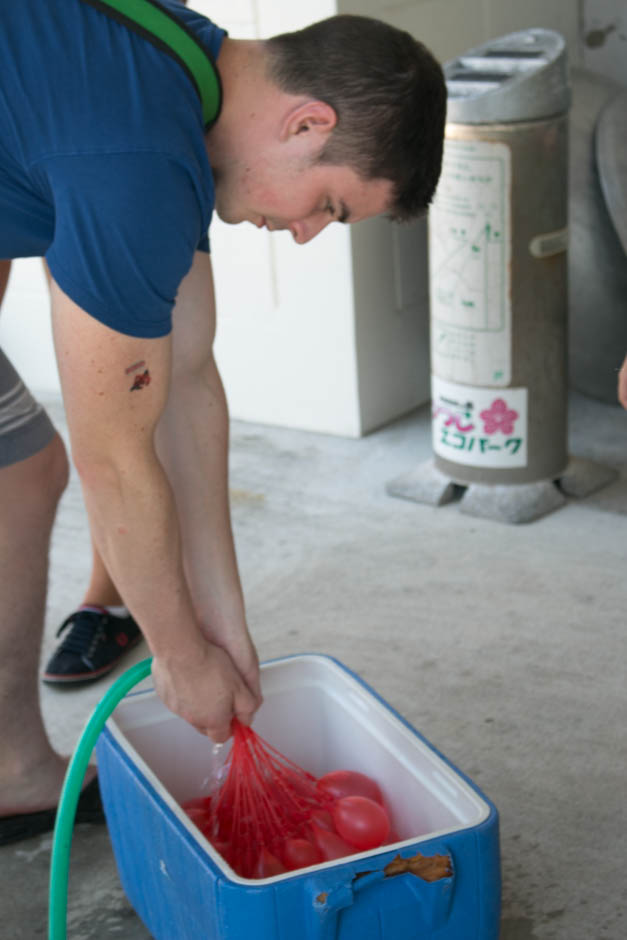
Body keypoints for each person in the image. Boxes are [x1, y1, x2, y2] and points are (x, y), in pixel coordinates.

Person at [0, 0, 446, 844]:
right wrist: (174, 653)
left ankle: (9, 768)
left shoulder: (185, 78)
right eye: (331, 206)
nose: (308, 235)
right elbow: (117, 453)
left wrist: (221, 623)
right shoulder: (135, 158)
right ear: (306, 121)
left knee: (19, 471)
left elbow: (188, 376)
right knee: (28, 467)